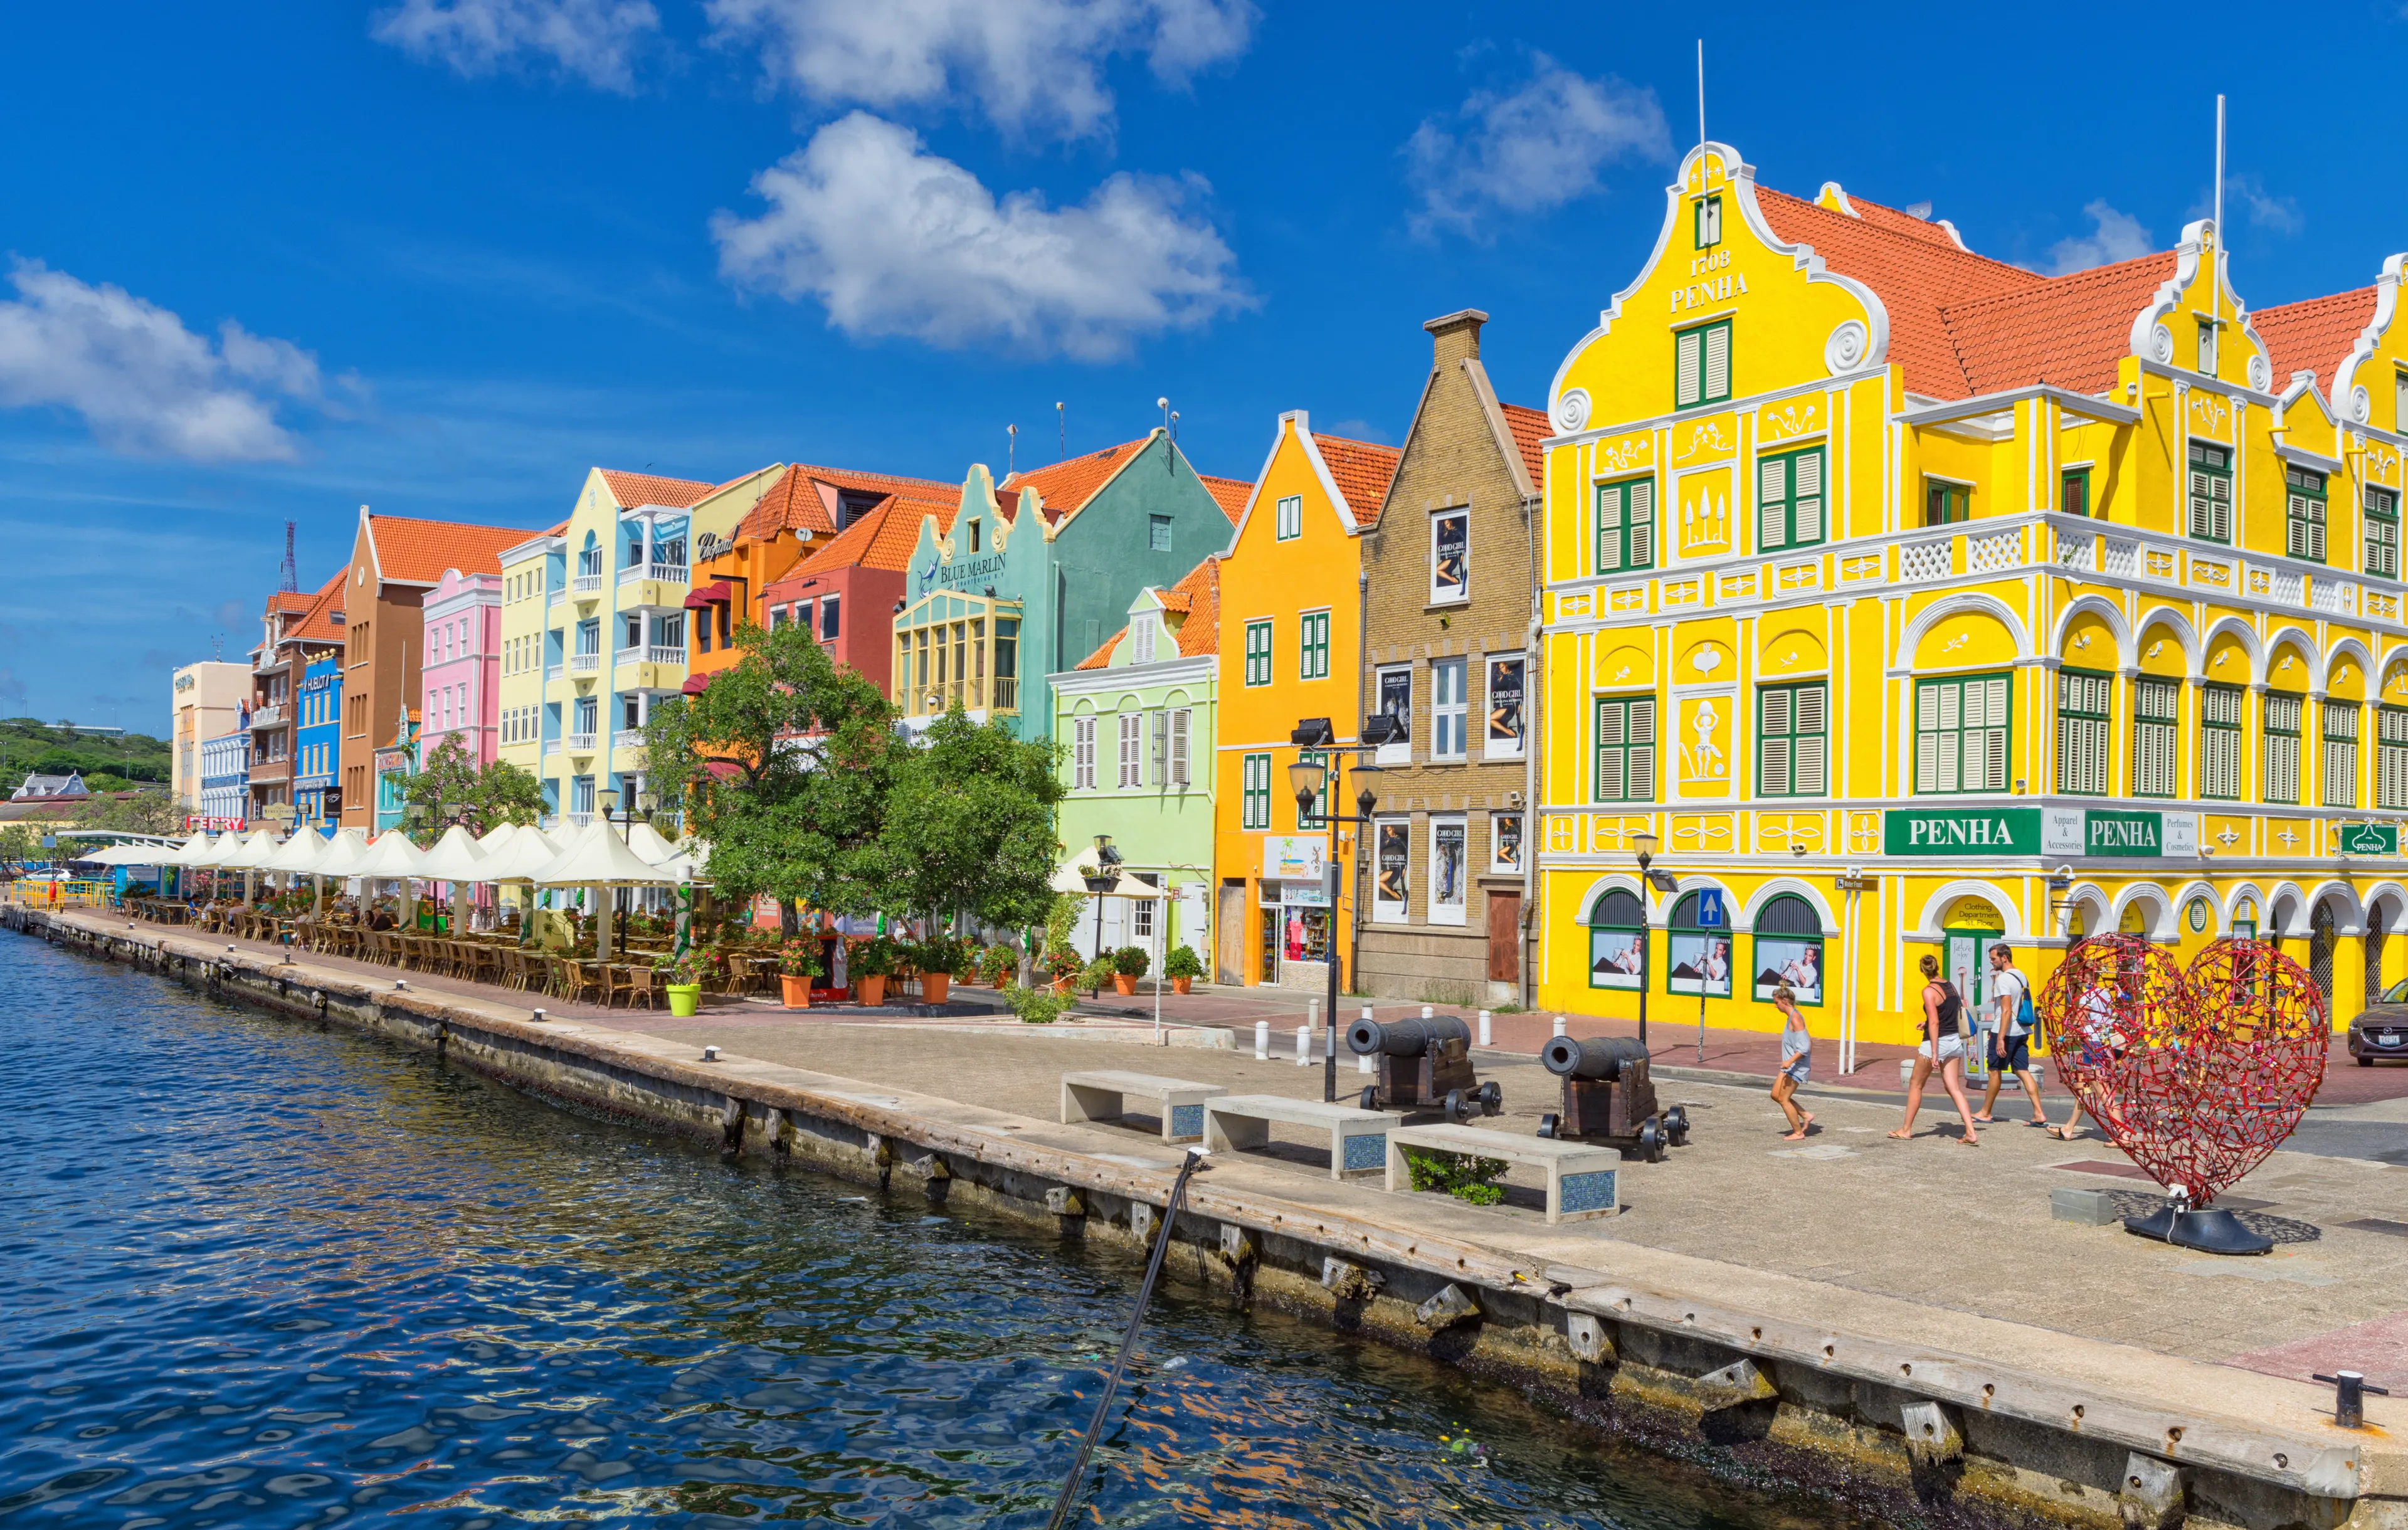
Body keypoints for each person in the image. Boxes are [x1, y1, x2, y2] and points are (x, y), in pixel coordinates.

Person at [1890, 952, 1980, 1146]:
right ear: (1937, 967)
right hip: (1955, 1041)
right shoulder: (1950, 986)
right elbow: (1948, 1012)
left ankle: (1906, 1130)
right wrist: (1926, 1022)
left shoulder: (1928, 991)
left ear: (1922, 970)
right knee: (1954, 1088)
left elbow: (1936, 1021)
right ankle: (1971, 1132)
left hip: (1936, 1042)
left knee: (1916, 1084)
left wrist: (1934, 1053)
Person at [1974, 944, 2047, 1126]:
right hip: (2022, 1030)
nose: (1991, 962)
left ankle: (1985, 1112)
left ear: (2004, 958)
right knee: (2022, 1070)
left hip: (2006, 1031)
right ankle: (2039, 1113)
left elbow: (2006, 1011)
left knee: (1994, 1071)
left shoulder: (2003, 979)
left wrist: (2000, 1038)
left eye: (1994, 959)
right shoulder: (2022, 976)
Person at [1768, 983, 1814, 1139]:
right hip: (1790, 1066)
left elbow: (1805, 1047)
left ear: (1785, 1001)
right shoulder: (1791, 1018)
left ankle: (1798, 1132)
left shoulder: (1795, 1018)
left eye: (1777, 1003)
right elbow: (1809, 1040)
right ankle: (1805, 1114)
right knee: (1775, 1095)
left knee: (1783, 1099)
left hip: (1796, 1067)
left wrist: (1790, 1061)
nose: (1776, 1006)